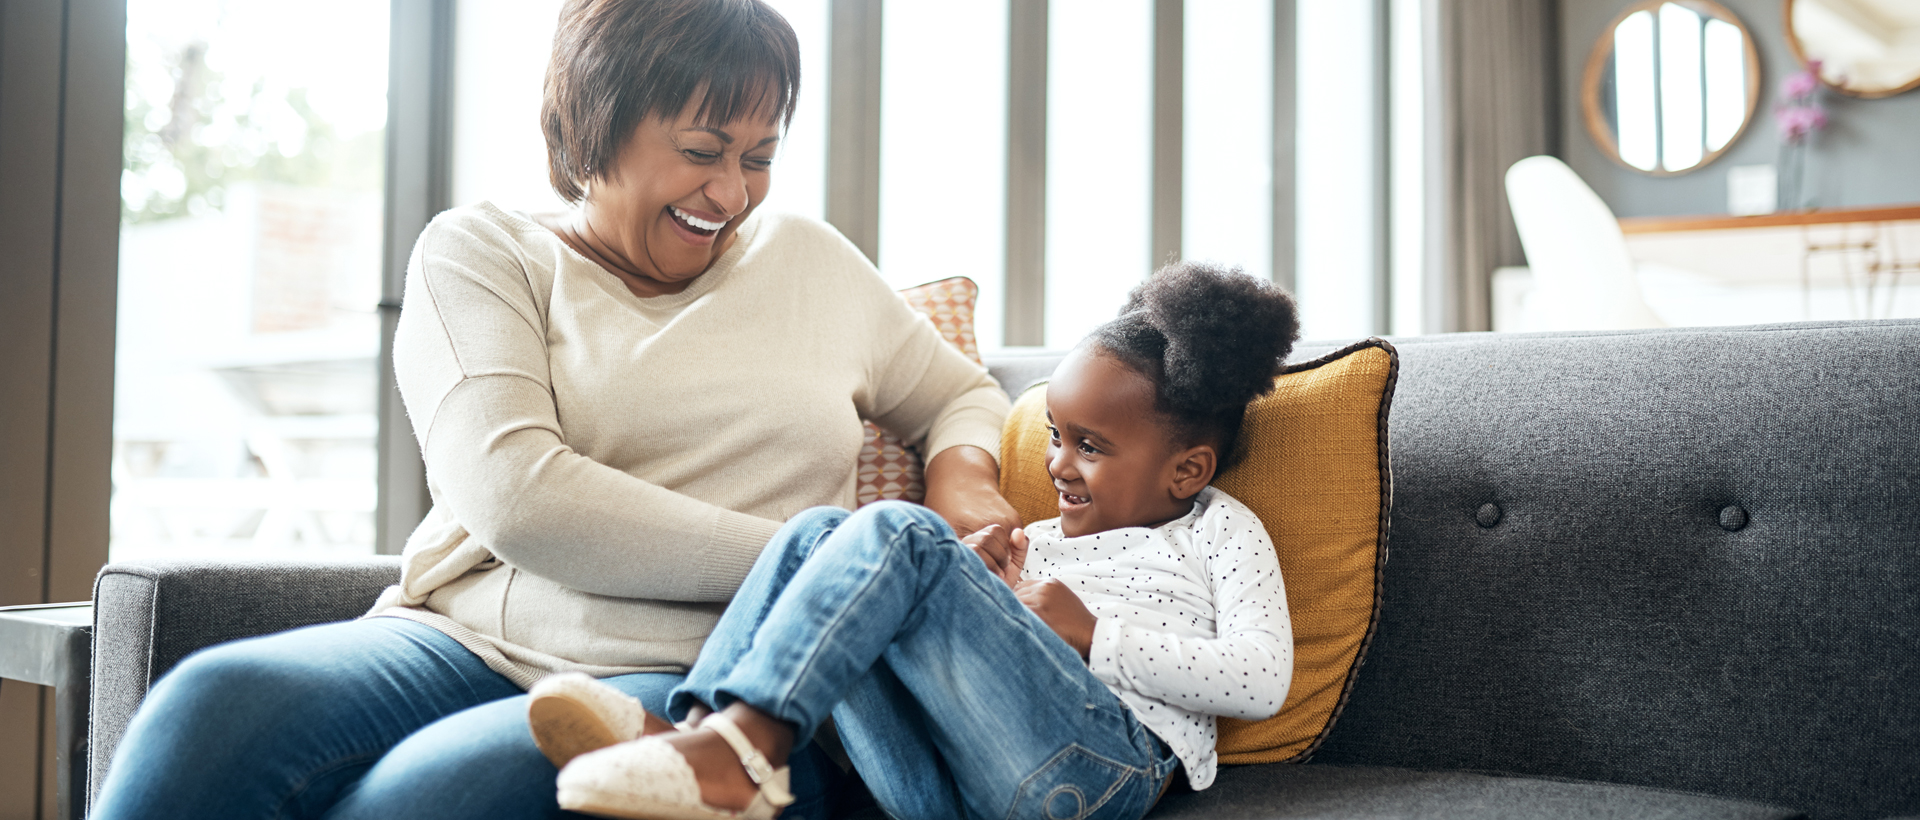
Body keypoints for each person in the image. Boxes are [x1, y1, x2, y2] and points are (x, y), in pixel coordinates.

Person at [88, 2, 1015, 818]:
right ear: (595, 124)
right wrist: (830, 563)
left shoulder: (812, 264)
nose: (731, 195)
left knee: (438, 793)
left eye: (758, 157)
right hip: (461, 638)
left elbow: (958, 393)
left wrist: (965, 479)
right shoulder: (483, 255)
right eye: (700, 152)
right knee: (209, 705)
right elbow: (519, 496)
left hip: (712, 677)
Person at [529, 263, 1302, 820]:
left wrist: (1094, 634)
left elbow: (1260, 678)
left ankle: (735, 755)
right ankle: (698, 737)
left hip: (1098, 772)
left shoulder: (1218, 530)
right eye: (1056, 436)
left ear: (1187, 469)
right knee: (819, 535)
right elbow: (972, 673)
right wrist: (952, 594)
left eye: (1090, 447)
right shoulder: (1030, 544)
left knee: (901, 530)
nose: (1056, 462)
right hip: (944, 787)